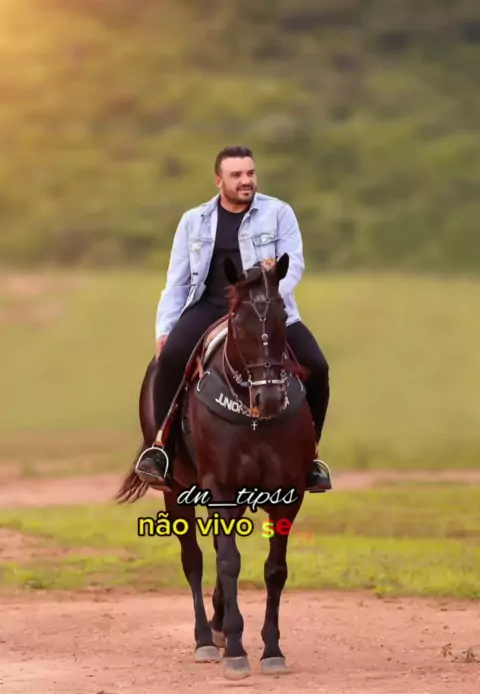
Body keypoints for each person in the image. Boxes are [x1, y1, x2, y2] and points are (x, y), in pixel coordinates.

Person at [135, 146, 332, 493]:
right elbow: (177, 282)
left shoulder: (279, 213)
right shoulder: (193, 221)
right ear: (218, 181)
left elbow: (294, 265)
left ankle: (311, 456)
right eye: (236, 175)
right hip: (209, 307)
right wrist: (164, 328)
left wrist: (267, 294)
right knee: (168, 361)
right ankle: (162, 450)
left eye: (250, 173)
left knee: (318, 365)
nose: (246, 181)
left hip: (264, 310)